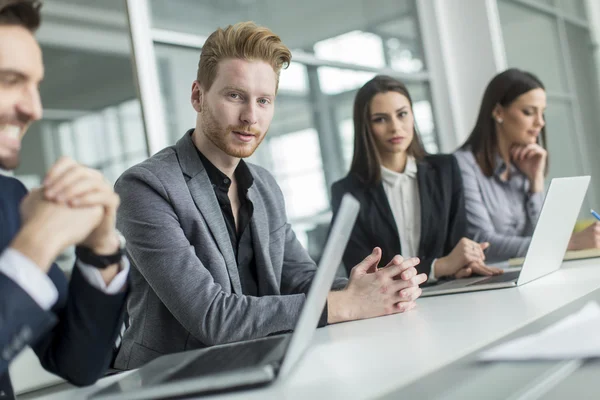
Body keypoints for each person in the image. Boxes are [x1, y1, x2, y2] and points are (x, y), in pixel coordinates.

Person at [113, 22, 428, 370]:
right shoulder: (145, 187)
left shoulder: (263, 185)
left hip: (259, 364)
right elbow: (213, 316)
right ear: (197, 96)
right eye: (235, 95)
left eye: (263, 100)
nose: (250, 116)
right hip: (168, 379)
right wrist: (347, 303)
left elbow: (302, 279)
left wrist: (379, 286)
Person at [0, 1, 129, 397]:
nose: (34, 108)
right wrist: (36, 246)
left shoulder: (9, 199)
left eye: (35, 84)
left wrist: (101, 250)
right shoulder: (26, 220)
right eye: (9, 79)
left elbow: (78, 362)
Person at [331, 75, 503, 282]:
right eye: (381, 119)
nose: (395, 127)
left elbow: (456, 247)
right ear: (365, 127)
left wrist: (466, 262)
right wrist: (438, 266)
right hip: (389, 306)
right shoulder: (347, 191)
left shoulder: (446, 170)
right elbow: (362, 273)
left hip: (449, 292)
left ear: (412, 115)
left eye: (402, 114)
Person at [454, 68, 600, 262]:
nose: (540, 123)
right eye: (529, 112)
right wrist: (569, 242)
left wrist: (535, 181)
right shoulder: (462, 165)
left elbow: (543, 234)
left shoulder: (522, 165)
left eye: (542, 113)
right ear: (498, 112)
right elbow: (483, 244)